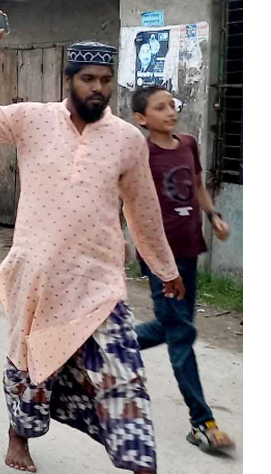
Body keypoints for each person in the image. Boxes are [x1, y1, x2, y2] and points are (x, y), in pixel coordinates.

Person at [0, 27, 186, 474]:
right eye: (88, 79)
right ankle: (18, 436)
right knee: (32, 368)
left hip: (99, 280)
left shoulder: (127, 140)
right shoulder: (32, 119)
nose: (98, 88)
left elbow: (143, 210)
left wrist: (165, 268)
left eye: (106, 80)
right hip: (36, 275)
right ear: (69, 79)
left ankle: (138, 460)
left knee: (123, 370)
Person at [129, 85, 236, 453]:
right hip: (160, 257)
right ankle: (202, 422)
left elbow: (198, 186)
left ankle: (109, 346)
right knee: (181, 333)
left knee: (174, 325)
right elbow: (124, 197)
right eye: (159, 108)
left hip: (189, 249)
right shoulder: (139, 151)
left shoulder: (188, 143)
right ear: (141, 119)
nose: (169, 112)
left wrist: (214, 215)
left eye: (171, 105)